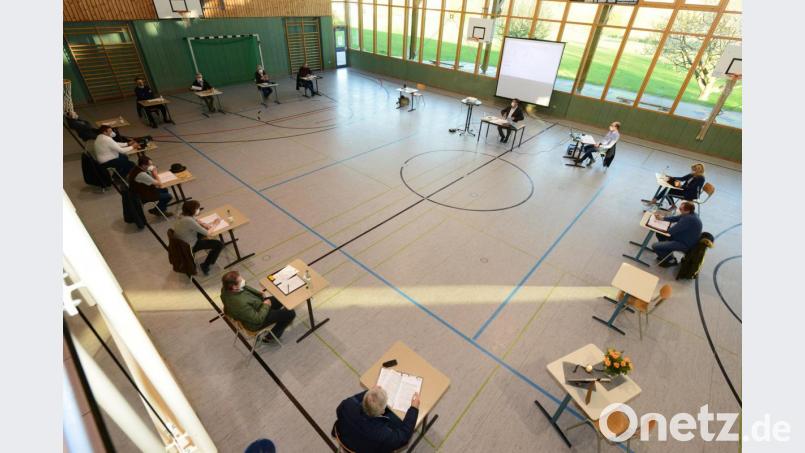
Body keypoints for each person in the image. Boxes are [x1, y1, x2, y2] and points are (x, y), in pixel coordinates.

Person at [334, 386, 421, 453]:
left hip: (345, 438)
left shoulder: (347, 405)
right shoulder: (382, 434)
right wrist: (414, 408)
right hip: (365, 448)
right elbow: (404, 437)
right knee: (397, 421)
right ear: (383, 411)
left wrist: (370, 393)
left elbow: (350, 402)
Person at [220, 270, 296, 340]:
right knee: (290, 313)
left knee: (280, 298)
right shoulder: (239, 304)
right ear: (234, 287)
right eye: (240, 281)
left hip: (257, 305)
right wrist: (266, 306)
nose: (243, 280)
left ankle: (276, 315)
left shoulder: (226, 289)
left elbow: (245, 289)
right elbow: (257, 319)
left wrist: (259, 294)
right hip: (257, 321)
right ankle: (271, 337)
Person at [172, 200, 224, 275]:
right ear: (192, 210)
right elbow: (208, 233)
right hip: (189, 246)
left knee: (203, 231)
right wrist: (215, 224)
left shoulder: (182, 215)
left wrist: (204, 224)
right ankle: (205, 265)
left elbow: (195, 219)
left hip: (182, 241)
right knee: (219, 244)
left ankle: (209, 256)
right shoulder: (188, 221)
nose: (199, 209)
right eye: (197, 208)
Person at [652, 201, 703, 267]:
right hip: (683, 238)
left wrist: (658, 226)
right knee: (659, 234)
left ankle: (671, 260)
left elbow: (671, 231)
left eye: (681, 209)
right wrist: (662, 218)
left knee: (655, 246)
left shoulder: (688, 219)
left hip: (684, 244)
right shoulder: (690, 214)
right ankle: (665, 252)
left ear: (687, 211)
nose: (679, 209)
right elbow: (676, 218)